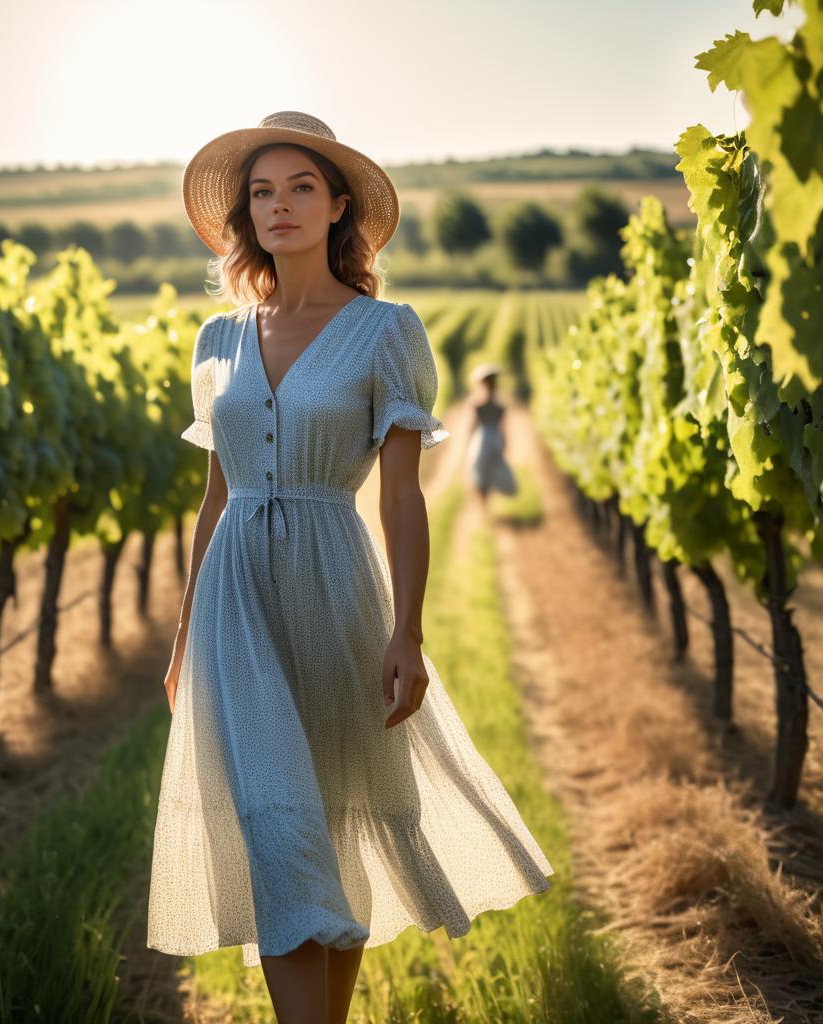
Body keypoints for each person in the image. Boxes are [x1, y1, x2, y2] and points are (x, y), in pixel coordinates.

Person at [146, 111, 554, 1024]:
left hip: (339, 593)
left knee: (336, 824)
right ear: (244, 215)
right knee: (279, 828)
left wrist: (408, 632)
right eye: (262, 192)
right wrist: (180, 640)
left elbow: (401, 499)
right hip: (233, 604)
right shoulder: (218, 342)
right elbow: (216, 497)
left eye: (300, 189)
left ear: (337, 208)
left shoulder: (386, 331)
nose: (279, 206)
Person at [466, 362, 518, 512]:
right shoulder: (488, 404)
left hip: (487, 439)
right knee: (483, 471)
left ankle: (484, 504)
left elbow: (475, 426)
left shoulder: (487, 404)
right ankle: (484, 505)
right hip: (488, 439)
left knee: (485, 471)